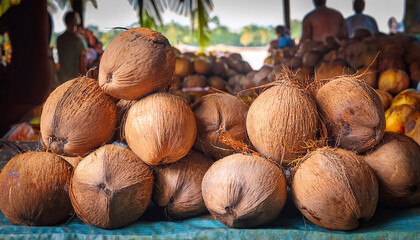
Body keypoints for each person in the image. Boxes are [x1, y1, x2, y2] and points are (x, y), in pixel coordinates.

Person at [56, 11, 87, 85]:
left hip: (62, 80)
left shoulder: (59, 39)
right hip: (75, 80)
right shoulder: (79, 40)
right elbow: (82, 63)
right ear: (75, 21)